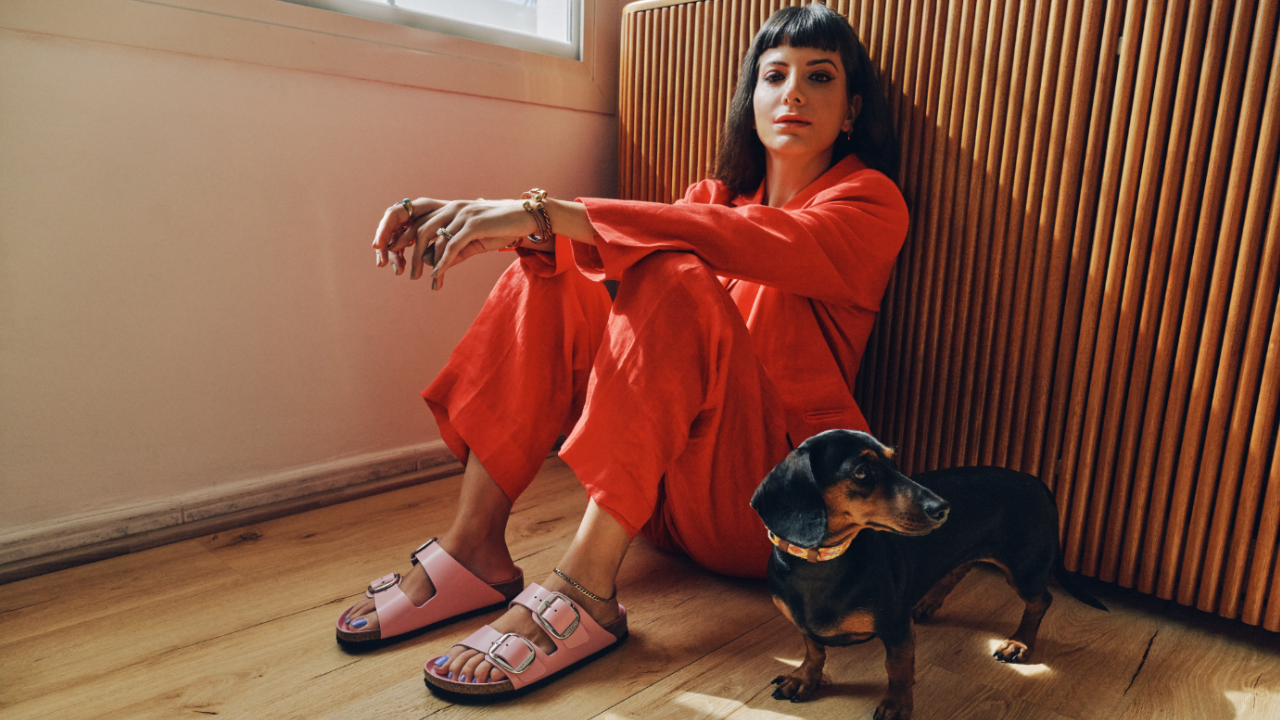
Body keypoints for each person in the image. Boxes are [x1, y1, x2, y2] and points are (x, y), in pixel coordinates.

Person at [335, 2, 908, 698]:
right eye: (774, 75)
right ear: (751, 101)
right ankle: (475, 543)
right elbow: (647, 249)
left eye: (819, 77)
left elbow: (738, 241)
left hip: (774, 508)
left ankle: (585, 588)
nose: (793, 93)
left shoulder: (870, 203)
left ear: (851, 111)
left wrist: (538, 211)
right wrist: (514, 228)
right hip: (660, 497)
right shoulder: (712, 197)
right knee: (549, 269)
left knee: (666, 267)